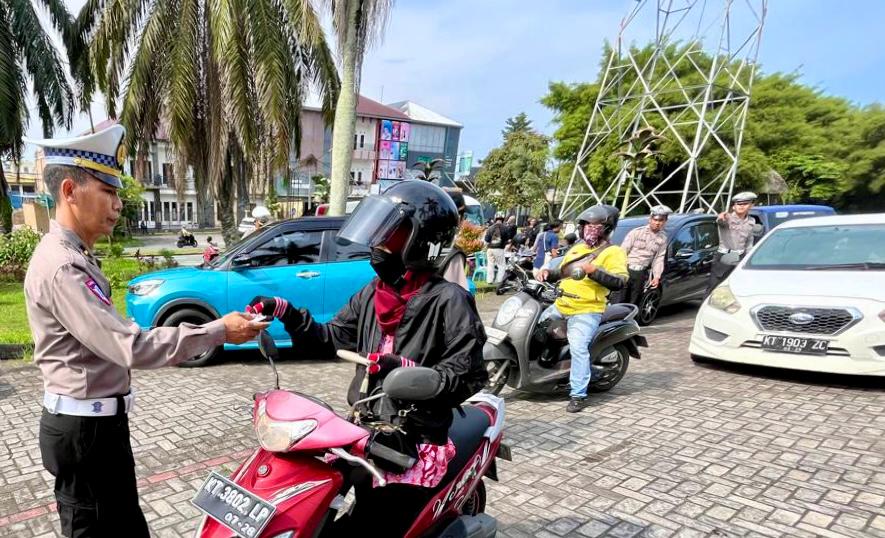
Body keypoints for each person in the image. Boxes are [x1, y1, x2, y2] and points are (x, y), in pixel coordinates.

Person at [23, 125, 268, 538]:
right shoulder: (63, 266)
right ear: (70, 190)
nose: (118, 205)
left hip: (96, 428)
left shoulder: (75, 258)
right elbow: (129, 347)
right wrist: (217, 330)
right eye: (108, 192)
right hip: (86, 434)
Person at [246, 180, 487, 535]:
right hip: (363, 429)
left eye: (390, 234)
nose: (378, 244)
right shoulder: (374, 294)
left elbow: (467, 375)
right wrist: (285, 311)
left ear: (420, 242)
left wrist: (408, 372)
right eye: (378, 232)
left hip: (414, 440)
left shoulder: (449, 300)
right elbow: (331, 338)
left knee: (376, 527)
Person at [538, 205, 627, 413]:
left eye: (595, 226)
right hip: (561, 305)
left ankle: (578, 394)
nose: (589, 229)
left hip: (586, 310)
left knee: (578, 347)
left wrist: (594, 271)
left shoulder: (613, 252)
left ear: (606, 228)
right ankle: (549, 368)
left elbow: (620, 282)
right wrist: (546, 274)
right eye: (586, 225)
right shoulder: (577, 248)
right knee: (536, 328)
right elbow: (562, 272)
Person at [616, 205, 671, 307]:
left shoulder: (662, 239)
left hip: (641, 273)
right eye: (655, 219)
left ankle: (628, 321)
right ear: (650, 219)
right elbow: (623, 251)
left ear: (665, 221)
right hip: (626, 269)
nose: (657, 223)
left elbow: (659, 258)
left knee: (634, 301)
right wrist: (619, 270)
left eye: (661, 220)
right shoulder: (636, 233)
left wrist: (657, 276)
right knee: (620, 299)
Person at [706, 192, 757, 295]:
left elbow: (749, 243)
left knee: (737, 290)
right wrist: (721, 218)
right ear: (733, 206)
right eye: (738, 203)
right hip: (725, 256)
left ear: (751, 205)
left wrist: (748, 260)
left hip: (741, 256)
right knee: (715, 289)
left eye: (745, 203)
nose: (741, 206)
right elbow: (720, 221)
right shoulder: (726, 217)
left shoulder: (751, 221)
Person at [484, 215, 507, 283]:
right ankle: (499, 280)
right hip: (499, 249)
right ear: (502, 220)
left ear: (495, 219)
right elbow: (507, 238)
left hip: (490, 249)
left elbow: (486, 239)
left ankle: (489, 280)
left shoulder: (490, 228)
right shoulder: (505, 228)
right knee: (502, 265)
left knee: (490, 264)